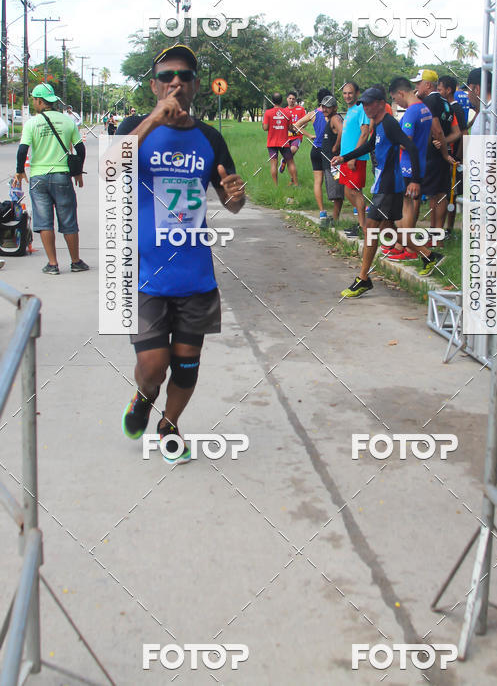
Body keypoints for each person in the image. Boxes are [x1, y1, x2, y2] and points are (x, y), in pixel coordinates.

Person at [116, 44, 245, 463]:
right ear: (154, 85)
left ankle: (169, 425)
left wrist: (234, 197)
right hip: (146, 271)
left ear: (195, 87)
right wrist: (154, 119)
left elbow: (232, 201)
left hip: (195, 274)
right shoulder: (136, 126)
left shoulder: (209, 138)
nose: (176, 82)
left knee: (187, 366)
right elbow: (111, 170)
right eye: (168, 76)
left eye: (185, 76)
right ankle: (144, 395)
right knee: (153, 366)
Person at [331, 86, 421, 297]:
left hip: (390, 186)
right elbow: (369, 146)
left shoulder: (389, 123)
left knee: (371, 229)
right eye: (364, 104)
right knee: (389, 230)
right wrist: (345, 157)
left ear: (381, 103)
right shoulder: (379, 125)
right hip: (383, 184)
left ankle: (363, 278)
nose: (367, 107)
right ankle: (427, 254)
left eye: (370, 103)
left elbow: (412, 147)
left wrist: (415, 180)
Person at [14, 82, 88, 275]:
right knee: (69, 220)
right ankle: (75, 261)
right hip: (62, 177)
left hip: (38, 178)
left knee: (44, 222)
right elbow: (80, 149)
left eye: (34, 100)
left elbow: (23, 150)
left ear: (39, 101)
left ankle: (53, 264)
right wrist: (78, 171)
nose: (34, 103)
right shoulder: (67, 121)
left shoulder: (31, 123)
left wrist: (20, 170)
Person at [412, 69, 458, 277]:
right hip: (439, 156)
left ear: (428, 85)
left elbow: (437, 129)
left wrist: (443, 152)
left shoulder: (431, 102)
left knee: (437, 197)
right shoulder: (446, 103)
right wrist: (446, 149)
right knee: (437, 196)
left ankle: (435, 239)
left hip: (432, 156)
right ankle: (435, 235)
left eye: (419, 83)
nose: (416, 87)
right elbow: (454, 131)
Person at [384, 77, 432, 261]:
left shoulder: (412, 112)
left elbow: (406, 142)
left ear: (401, 93)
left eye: (395, 99)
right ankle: (403, 244)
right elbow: (427, 139)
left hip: (407, 166)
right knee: (409, 205)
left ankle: (408, 246)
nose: (396, 102)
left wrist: (394, 141)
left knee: (405, 206)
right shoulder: (425, 109)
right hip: (419, 161)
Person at [293, 88, 332, 226]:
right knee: (338, 179)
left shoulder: (313, 113)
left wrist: (309, 135)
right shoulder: (332, 114)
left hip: (315, 150)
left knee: (318, 181)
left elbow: (296, 125)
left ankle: (322, 211)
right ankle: (350, 207)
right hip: (329, 151)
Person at [438, 74, 468, 236]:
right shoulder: (445, 107)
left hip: (454, 159)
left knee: (452, 194)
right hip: (447, 157)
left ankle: (449, 228)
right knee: (447, 192)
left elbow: (464, 133)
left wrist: (459, 156)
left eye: (440, 89)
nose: (438, 92)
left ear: (448, 90)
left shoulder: (455, 108)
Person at [339, 81, 370, 237]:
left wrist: (354, 156)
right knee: (347, 191)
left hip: (355, 159)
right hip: (345, 159)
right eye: (345, 93)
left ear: (357, 93)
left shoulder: (361, 110)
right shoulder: (350, 111)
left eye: (350, 93)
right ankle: (363, 221)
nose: (347, 96)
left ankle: (364, 226)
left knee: (356, 192)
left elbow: (365, 133)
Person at [262, 93, 298, 186]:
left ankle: (275, 186)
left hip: (272, 143)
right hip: (284, 142)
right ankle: (296, 184)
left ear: (272, 101)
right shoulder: (287, 113)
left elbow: (265, 128)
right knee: (290, 162)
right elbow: (290, 128)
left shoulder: (268, 113)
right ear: (282, 101)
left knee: (273, 164)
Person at [319, 95, 345, 223]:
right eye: (323, 106)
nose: (324, 109)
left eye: (328, 107)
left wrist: (335, 146)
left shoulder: (335, 118)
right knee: (335, 191)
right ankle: (335, 218)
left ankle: (335, 219)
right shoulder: (331, 119)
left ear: (334, 108)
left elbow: (342, 130)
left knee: (337, 192)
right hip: (329, 162)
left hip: (334, 163)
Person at [279, 91, 305, 175]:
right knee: (290, 159)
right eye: (290, 98)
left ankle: (284, 160)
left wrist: (299, 127)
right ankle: (293, 180)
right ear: (287, 99)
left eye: (293, 99)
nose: (291, 100)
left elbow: (306, 122)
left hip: (297, 137)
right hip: (286, 138)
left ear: (295, 100)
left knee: (292, 150)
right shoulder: (283, 111)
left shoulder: (300, 109)